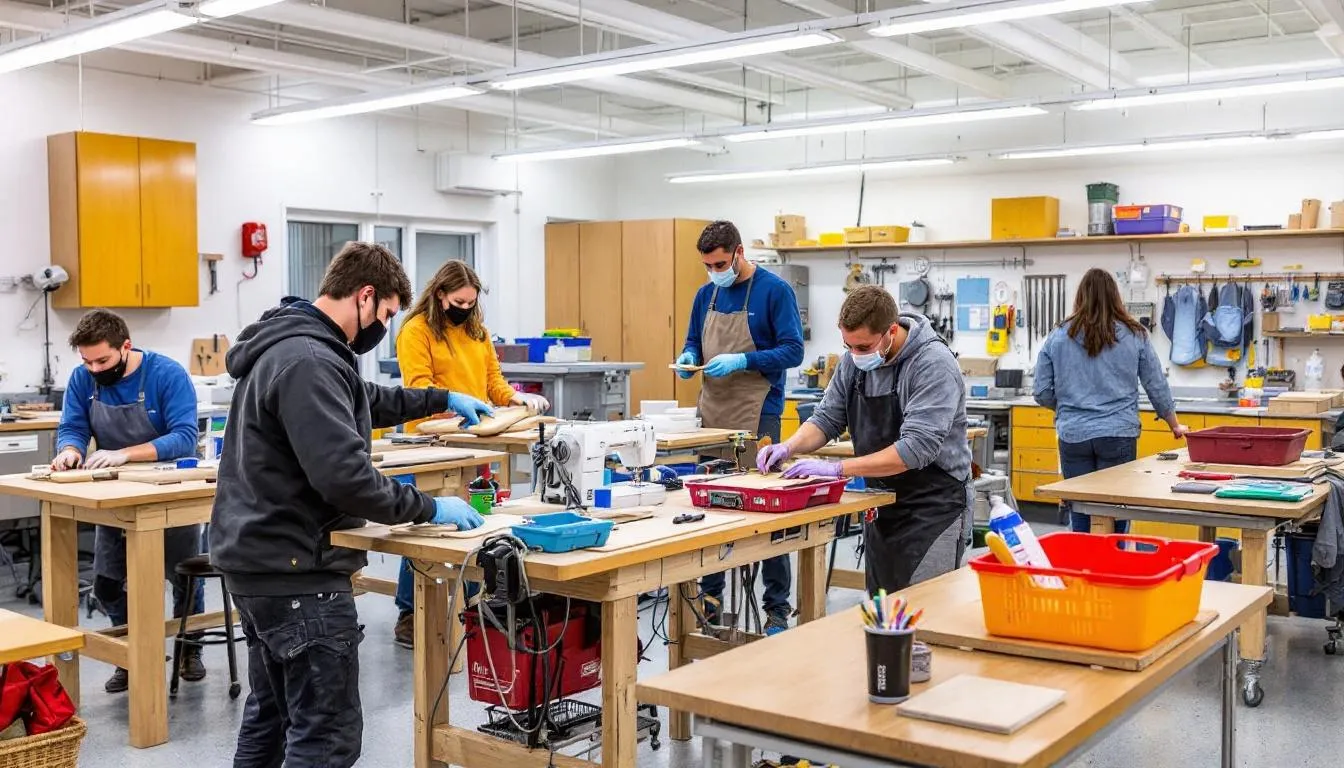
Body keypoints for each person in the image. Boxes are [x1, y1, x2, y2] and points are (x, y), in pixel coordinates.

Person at [209, 242, 495, 768]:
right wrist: (429, 508)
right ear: (365, 296)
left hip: (260, 563)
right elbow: (346, 480)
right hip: (297, 571)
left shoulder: (296, 346)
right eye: (386, 313)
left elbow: (364, 398)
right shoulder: (310, 359)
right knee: (326, 737)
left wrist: (440, 398)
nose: (384, 324)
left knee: (270, 720)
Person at [758, 286, 971, 593]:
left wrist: (838, 470)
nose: (855, 355)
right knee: (883, 614)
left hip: (934, 506)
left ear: (891, 330)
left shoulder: (932, 364)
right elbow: (826, 418)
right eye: (849, 346)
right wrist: (789, 445)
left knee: (925, 613)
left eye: (863, 347)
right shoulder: (852, 363)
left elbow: (914, 450)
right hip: (881, 501)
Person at [389, 259, 549, 647]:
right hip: (431, 442)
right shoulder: (416, 331)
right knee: (426, 525)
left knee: (479, 517)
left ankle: (475, 600)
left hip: (474, 440)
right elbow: (417, 390)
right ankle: (411, 611)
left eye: (471, 302)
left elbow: (492, 381)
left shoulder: (477, 331)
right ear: (440, 295)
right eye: (459, 302)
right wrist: (456, 406)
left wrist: (514, 398)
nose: (465, 309)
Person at [51, 308, 203, 694]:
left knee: (182, 575)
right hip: (116, 494)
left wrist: (125, 453)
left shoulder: (166, 374)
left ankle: (189, 648)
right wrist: (69, 449)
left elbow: (185, 437)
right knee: (106, 583)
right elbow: (72, 426)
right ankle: (132, 652)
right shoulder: (82, 378)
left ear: (126, 347)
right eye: (86, 362)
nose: (95, 369)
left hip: (169, 489)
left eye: (102, 360)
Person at [675, 220, 804, 635]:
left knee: (764, 510)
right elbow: (694, 339)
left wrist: (743, 360)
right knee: (708, 507)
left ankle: (777, 609)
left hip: (757, 413)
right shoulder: (705, 294)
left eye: (719, 263)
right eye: (707, 265)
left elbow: (793, 350)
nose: (715, 271)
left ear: (739, 252)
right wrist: (688, 356)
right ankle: (711, 603)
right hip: (711, 412)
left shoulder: (774, 290)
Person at [1033, 267, 1187, 533]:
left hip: (1074, 434)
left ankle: (1082, 569)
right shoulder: (1135, 334)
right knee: (1115, 508)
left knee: (1079, 505)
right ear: (1116, 297)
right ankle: (1112, 568)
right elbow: (1156, 385)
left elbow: (1041, 391)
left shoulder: (1058, 336)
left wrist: (1067, 407)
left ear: (1079, 297)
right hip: (1118, 435)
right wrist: (1174, 424)